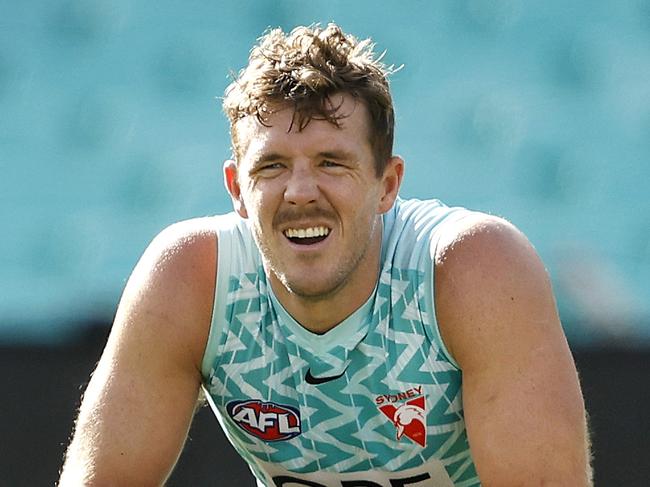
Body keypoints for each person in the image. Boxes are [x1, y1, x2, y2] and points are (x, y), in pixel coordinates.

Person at [59, 24, 592, 486]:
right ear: (236, 190)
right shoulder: (193, 277)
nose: (300, 192)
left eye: (331, 163)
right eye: (270, 167)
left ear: (387, 185)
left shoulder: (474, 268)